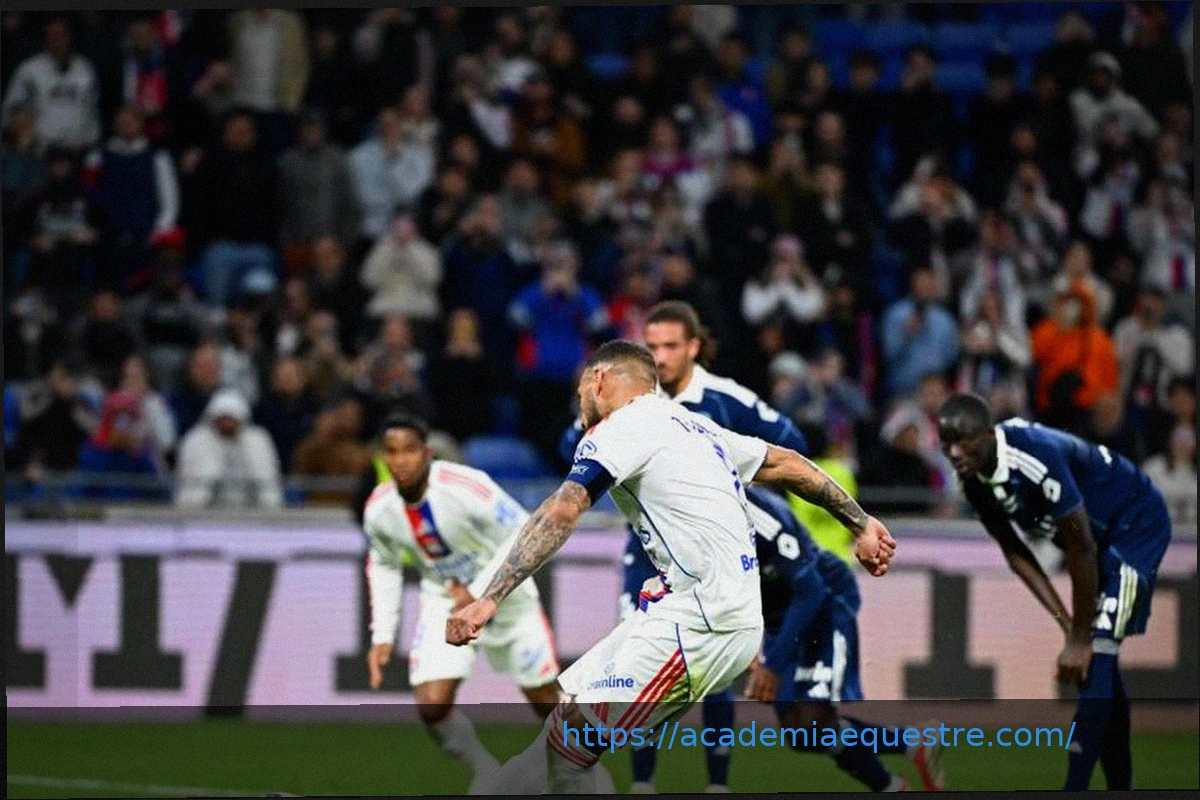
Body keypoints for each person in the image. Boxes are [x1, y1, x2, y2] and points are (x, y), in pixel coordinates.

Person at [447, 340, 894, 794]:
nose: (579, 406)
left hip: (701, 623)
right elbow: (787, 463)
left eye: (579, 391)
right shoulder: (694, 427)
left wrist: (490, 598)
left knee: (571, 743)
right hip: (699, 613)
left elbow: (562, 510)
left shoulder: (619, 429)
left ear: (599, 379)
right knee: (568, 725)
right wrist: (861, 523)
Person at [937, 393, 1173, 791]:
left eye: (964, 441)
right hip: (1094, 542)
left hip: (1134, 526)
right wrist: (1068, 626)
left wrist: (1079, 639)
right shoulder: (973, 481)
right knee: (1100, 667)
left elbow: (1081, 547)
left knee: (1098, 651)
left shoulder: (1034, 455)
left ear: (989, 434)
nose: (954, 453)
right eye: (946, 444)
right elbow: (1015, 551)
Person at [362, 413, 560, 788]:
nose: (400, 461)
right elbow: (384, 564)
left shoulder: (466, 486)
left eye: (409, 450)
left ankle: (583, 770)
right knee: (431, 704)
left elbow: (524, 529)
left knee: (545, 699)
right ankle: (486, 771)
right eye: (392, 452)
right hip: (446, 598)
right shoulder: (379, 509)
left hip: (506, 596)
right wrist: (383, 634)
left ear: (427, 453)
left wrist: (482, 590)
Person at [741, 484, 943, 791]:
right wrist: (744, 643)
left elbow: (811, 592)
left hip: (824, 604)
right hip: (780, 617)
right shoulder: (696, 523)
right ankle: (911, 744)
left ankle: (891, 784)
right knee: (799, 733)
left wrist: (772, 664)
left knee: (812, 722)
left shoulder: (761, 514)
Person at [175, 388, 283, 509]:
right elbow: (191, 490)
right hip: (207, 512)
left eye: (231, 419)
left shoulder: (257, 440)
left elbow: (267, 483)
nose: (226, 424)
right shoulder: (196, 440)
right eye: (222, 419)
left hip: (250, 509)